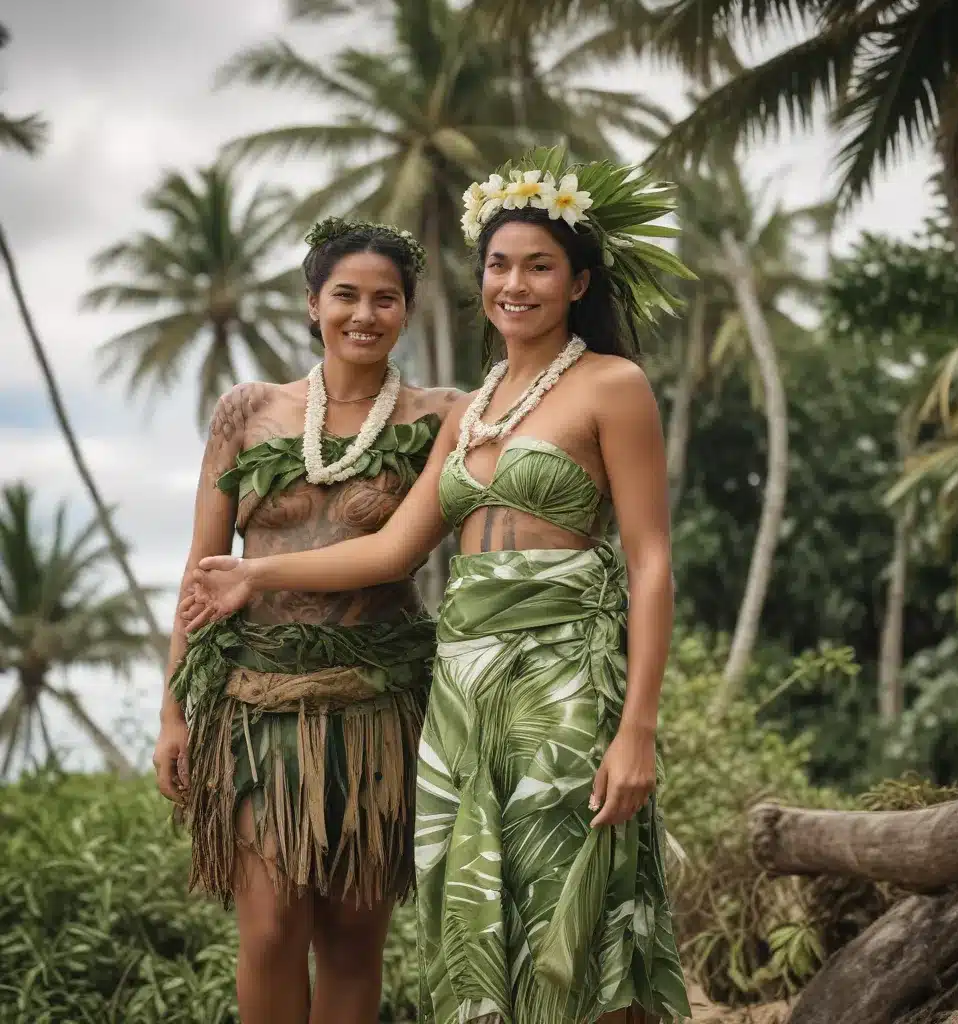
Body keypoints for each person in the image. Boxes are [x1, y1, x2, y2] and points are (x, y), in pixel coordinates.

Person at [181, 149, 694, 1023]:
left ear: (578, 283)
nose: (514, 285)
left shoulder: (613, 385)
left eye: (539, 266)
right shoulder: (473, 408)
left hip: (562, 673)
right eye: (499, 265)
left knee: (574, 906)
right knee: (482, 915)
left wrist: (637, 729)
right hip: (460, 680)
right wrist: (258, 572)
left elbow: (650, 563)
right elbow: (389, 551)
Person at [153, 218, 461, 1024]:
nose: (365, 315)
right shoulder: (247, 412)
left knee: (356, 935)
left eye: (385, 299)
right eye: (346, 295)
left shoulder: (441, 418)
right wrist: (173, 711)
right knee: (269, 926)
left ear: (408, 309)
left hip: (377, 702)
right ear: (311, 304)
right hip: (257, 706)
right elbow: (203, 567)